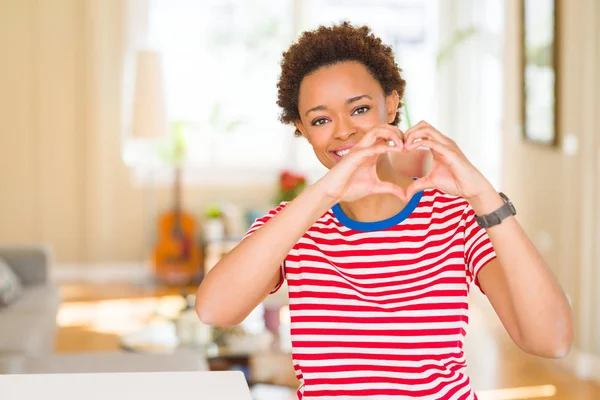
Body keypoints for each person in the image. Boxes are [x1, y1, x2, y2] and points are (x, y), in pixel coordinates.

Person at [195, 22, 573, 399]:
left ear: (390, 105)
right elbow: (214, 310)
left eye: (359, 109)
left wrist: (483, 193)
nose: (343, 132)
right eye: (320, 120)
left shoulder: (453, 217)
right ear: (302, 129)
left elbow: (551, 340)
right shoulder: (292, 225)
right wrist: (327, 192)